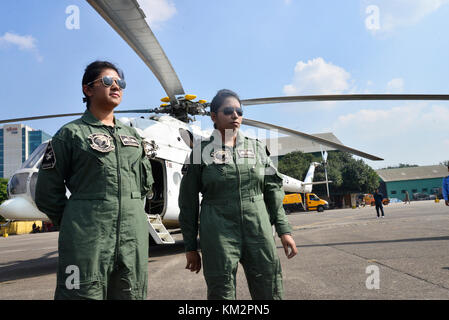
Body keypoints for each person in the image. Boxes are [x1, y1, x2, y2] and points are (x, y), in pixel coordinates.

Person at [35, 61, 154, 300]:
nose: (116, 86)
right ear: (87, 89)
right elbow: (47, 193)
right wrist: (77, 222)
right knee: (81, 293)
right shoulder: (70, 134)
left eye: (120, 82)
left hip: (133, 238)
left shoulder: (132, 136)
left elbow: (144, 186)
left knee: (132, 293)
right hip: (87, 239)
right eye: (107, 81)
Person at [178, 89, 298, 300]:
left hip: (258, 228)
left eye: (239, 111)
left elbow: (272, 191)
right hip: (218, 232)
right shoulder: (199, 152)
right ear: (214, 116)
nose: (235, 115)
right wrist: (190, 246)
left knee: (269, 286)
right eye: (228, 111)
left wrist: (284, 230)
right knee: (221, 289)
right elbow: (187, 202)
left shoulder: (258, 149)